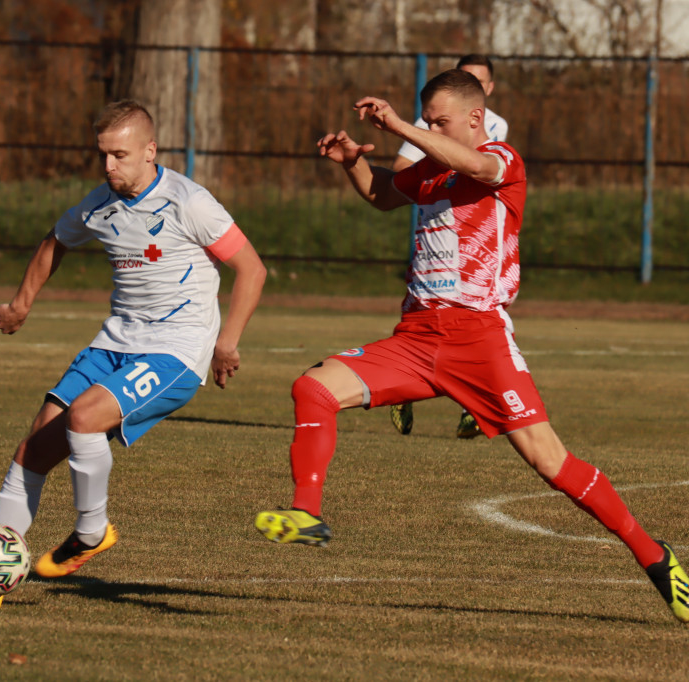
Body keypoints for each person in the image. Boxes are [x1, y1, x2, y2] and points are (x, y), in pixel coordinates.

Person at [253, 70, 688, 623]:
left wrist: (400, 125)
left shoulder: (502, 161)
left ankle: (654, 558)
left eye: (439, 121)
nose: (427, 131)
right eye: (426, 120)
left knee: (552, 464)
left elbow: (477, 166)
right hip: (416, 338)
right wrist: (352, 162)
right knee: (312, 387)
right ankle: (305, 512)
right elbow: (383, 195)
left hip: (480, 339)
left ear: (475, 119)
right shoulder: (433, 169)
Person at [0, 99, 267, 608]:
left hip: (175, 349)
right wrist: (22, 304)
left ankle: (92, 531)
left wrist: (227, 343)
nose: (109, 166)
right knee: (33, 452)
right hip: (114, 342)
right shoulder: (98, 205)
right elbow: (55, 241)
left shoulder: (188, 202)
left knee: (84, 419)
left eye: (120, 155)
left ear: (150, 150)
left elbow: (252, 269)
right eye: (103, 156)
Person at [390, 54, 509, 440]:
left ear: (485, 93)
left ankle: (472, 409)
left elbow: (482, 168)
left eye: (476, 81)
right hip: (436, 229)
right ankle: (399, 387)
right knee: (422, 323)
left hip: (476, 241)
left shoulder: (497, 128)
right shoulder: (431, 124)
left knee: (487, 318)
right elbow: (393, 179)